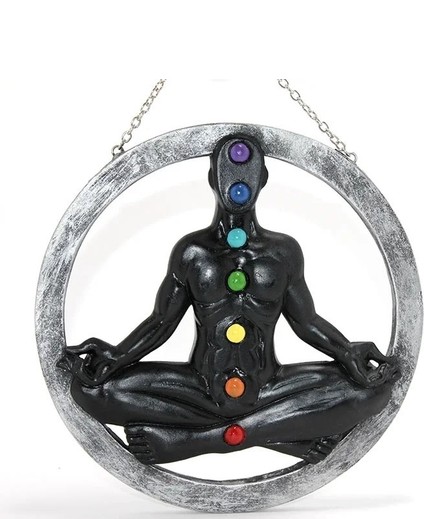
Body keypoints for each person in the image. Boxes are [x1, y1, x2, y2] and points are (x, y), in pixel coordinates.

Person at [59, 134, 399, 465]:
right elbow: (161, 322)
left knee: (374, 390)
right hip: (199, 390)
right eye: (229, 173)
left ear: (263, 179)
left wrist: (347, 351)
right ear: (212, 179)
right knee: (91, 391)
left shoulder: (283, 252)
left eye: (249, 174)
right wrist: (115, 357)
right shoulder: (193, 252)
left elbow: (306, 322)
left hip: (269, 389)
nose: (239, 184)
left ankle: (194, 441)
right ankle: (277, 434)